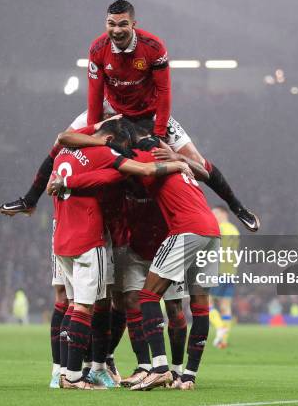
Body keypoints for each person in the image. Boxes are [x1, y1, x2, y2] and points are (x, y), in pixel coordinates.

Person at [0, 0, 259, 233]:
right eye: (111, 24)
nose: (116, 30)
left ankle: (237, 207)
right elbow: (94, 95)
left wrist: (158, 135)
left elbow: (165, 93)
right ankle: (29, 201)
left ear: (134, 24)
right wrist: (94, 132)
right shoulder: (98, 49)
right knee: (61, 144)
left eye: (123, 24)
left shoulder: (153, 47)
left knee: (197, 161)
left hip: (150, 114)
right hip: (110, 111)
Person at [50, 120, 219, 391]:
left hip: (177, 235)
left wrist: (66, 181)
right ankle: (173, 373)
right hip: (202, 232)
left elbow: (112, 171)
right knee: (188, 305)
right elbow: (205, 173)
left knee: (152, 301)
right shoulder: (150, 155)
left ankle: (166, 370)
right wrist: (179, 160)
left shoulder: (130, 155)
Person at [208, 205, 240, 349]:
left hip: (218, 271)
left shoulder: (220, 229)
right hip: (230, 273)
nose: (213, 216)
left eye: (214, 213)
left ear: (223, 213)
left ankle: (220, 327)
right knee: (225, 306)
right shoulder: (234, 230)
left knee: (205, 302)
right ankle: (223, 340)